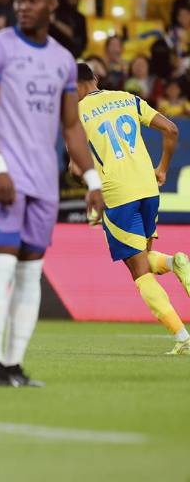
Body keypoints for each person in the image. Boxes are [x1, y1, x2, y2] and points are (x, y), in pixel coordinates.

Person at [0, 0, 104, 388]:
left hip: (44, 180)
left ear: (51, 6)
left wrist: (94, 181)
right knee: (3, 260)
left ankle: (13, 366)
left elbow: (72, 127)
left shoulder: (63, 60)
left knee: (30, 272)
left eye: (32, 0)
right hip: (5, 175)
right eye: (19, 0)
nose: (23, 6)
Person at [76, 63, 190, 355]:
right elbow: (172, 129)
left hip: (118, 193)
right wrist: (162, 168)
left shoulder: (74, 114)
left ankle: (182, 336)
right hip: (148, 188)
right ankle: (173, 263)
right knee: (146, 257)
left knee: (138, 272)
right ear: (96, 78)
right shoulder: (128, 98)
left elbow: (76, 164)